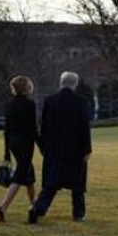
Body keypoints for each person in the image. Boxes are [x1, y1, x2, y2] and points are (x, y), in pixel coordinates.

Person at [29, 71, 92, 224]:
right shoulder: (81, 101)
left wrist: (43, 147)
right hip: (75, 148)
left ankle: (38, 209)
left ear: (61, 83)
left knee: (52, 182)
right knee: (77, 184)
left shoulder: (50, 101)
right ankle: (78, 214)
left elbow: (43, 126)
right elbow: (84, 126)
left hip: (53, 148)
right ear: (74, 84)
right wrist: (87, 149)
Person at [0, 75, 39, 223]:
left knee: (29, 174)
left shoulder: (9, 105)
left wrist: (6, 152)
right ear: (26, 87)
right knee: (20, 175)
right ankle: (3, 206)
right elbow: (33, 129)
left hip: (14, 143)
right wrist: (41, 146)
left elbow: (6, 130)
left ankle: (35, 206)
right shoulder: (29, 104)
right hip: (26, 144)